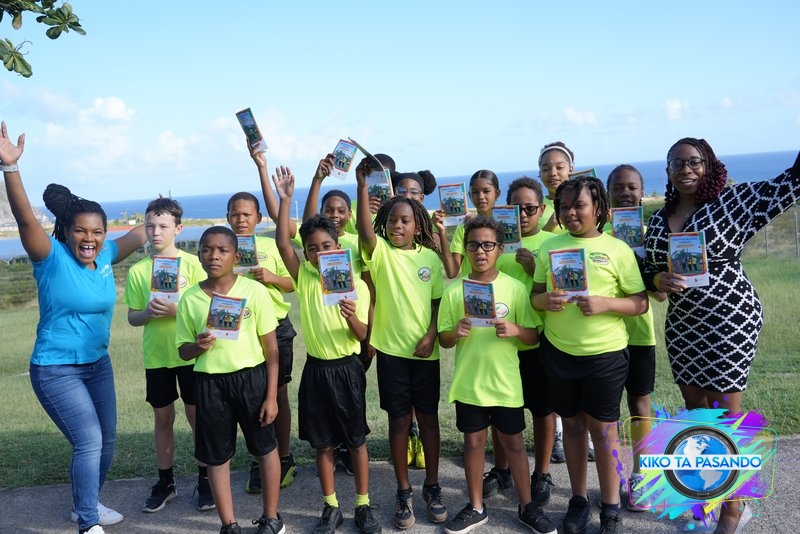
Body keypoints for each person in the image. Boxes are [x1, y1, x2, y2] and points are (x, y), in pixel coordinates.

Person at [643, 139, 800, 533]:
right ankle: (708, 496)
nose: (685, 169)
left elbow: (792, 181)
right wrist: (658, 279)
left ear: (709, 165)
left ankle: (734, 508)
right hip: (684, 324)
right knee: (697, 414)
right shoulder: (660, 219)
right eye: (676, 163)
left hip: (729, 319)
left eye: (694, 161)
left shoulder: (735, 202)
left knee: (726, 417)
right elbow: (648, 270)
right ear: (667, 171)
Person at [0, 121, 147, 534]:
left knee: (107, 439)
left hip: (98, 364)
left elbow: (141, 234)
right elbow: (25, 219)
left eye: (97, 231)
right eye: (80, 230)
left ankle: (87, 503)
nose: (89, 238)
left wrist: (162, 215)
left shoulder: (105, 256)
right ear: (66, 231)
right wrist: (10, 167)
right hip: (55, 368)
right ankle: (87, 522)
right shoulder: (50, 257)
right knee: (88, 440)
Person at [532, 175, 649, 534]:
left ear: (597, 207)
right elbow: (535, 297)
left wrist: (605, 304)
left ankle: (610, 507)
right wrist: (546, 300)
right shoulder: (549, 246)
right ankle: (579, 500)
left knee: (603, 430)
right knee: (572, 426)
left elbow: (640, 302)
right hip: (559, 352)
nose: (570, 213)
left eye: (579, 205)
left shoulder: (617, 249)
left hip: (605, 355)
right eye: (564, 207)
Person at [273, 166, 382, 533]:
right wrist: (286, 199)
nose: (320, 252)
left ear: (338, 247)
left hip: (348, 368)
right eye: (312, 248)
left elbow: (364, 334)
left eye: (326, 246)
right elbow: (283, 244)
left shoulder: (356, 285)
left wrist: (351, 317)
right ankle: (331, 506)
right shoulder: (305, 277)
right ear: (306, 255)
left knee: (356, 441)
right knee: (322, 445)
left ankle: (363, 505)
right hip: (316, 370)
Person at [438, 216, 557, 534]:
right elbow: (444, 340)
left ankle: (527, 506)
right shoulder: (455, 292)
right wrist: (455, 330)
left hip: (506, 383)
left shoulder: (515, 289)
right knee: (474, 443)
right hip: (470, 383)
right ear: (466, 248)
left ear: (500, 249)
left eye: (488, 245)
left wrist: (516, 329)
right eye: (473, 245)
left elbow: (532, 336)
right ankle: (476, 507)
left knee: (514, 444)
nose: (480, 251)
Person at [355, 159, 448, 529]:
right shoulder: (380, 253)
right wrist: (362, 186)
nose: (397, 226)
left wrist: (431, 334)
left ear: (417, 225)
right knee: (398, 421)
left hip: (425, 353)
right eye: (392, 220)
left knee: (428, 419)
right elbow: (365, 231)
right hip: (392, 354)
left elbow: (438, 303)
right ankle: (403, 491)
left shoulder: (430, 259)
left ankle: (433, 487)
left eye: (405, 221)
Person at [175, 226, 285, 534]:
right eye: (207, 249)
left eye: (222, 250)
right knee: (216, 456)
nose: (214, 256)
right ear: (199, 256)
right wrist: (198, 346)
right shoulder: (190, 299)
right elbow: (183, 350)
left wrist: (271, 396)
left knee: (265, 448)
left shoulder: (254, 291)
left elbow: (271, 348)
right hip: (210, 384)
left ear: (236, 257)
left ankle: (271, 518)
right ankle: (228, 524)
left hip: (252, 380)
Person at [123, 197, 214, 513]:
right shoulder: (138, 271)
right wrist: (147, 313)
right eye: (150, 226)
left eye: (163, 226)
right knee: (163, 419)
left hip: (190, 354)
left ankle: (205, 480)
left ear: (178, 228)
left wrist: (178, 310)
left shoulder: (194, 265)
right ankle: (166, 482)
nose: (156, 232)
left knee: (197, 417)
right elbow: (132, 317)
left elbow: (209, 311)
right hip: (157, 356)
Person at [482, 177, 557, 507]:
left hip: (539, 342)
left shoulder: (552, 243)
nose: (523, 215)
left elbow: (563, 288)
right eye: (516, 208)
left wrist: (534, 267)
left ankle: (541, 472)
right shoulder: (497, 245)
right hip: (501, 343)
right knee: (500, 411)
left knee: (542, 411)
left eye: (529, 208)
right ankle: (502, 470)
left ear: (542, 209)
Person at [225, 186, 298, 493]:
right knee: (252, 397)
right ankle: (261, 457)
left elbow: (294, 282)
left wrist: (272, 277)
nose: (241, 220)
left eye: (247, 214)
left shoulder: (271, 245)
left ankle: (284, 457)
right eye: (235, 214)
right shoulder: (223, 248)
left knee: (277, 394)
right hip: (241, 331)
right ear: (228, 218)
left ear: (258, 217)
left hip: (275, 329)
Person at [605, 165, 664, 512]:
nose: (625, 192)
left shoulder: (651, 235)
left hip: (639, 334)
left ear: (642, 192)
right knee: (606, 412)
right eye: (618, 187)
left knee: (640, 405)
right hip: (602, 337)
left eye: (632, 187)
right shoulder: (599, 234)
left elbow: (660, 294)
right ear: (608, 194)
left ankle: (642, 475)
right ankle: (612, 480)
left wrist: (646, 269)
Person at [440, 169, 501, 279]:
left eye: (486, 191)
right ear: (469, 195)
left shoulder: (507, 225)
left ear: (497, 194)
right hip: (474, 288)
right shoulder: (464, 227)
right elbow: (452, 272)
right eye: (475, 192)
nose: (481, 196)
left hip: (505, 289)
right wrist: (442, 232)